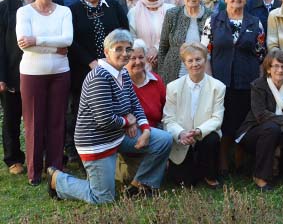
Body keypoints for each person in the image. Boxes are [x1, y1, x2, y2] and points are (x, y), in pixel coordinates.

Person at [48, 29, 172, 204]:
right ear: (106, 52)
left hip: (118, 135)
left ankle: (141, 184)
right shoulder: (99, 77)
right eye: (118, 49)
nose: (125, 53)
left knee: (164, 139)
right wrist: (127, 121)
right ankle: (58, 181)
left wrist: (144, 129)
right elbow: (105, 119)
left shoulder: (122, 73)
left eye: (128, 49)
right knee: (103, 198)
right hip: (97, 142)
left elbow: (135, 105)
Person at [201, 0, 266, 175]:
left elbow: (261, 55)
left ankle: (241, 162)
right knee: (223, 122)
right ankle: (222, 163)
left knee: (243, 122)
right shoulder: (213, 21)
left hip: (247, 82)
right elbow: (205, 54)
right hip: (220, 82)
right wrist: (210, 81)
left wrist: (260, 84)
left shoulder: (256, 23)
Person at [15, 0, 72, 185]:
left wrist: (37, 40)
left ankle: (55, 169)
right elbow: (24, 45)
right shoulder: (24, 12)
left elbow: (67, 40)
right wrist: (53, 45)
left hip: (60, 73)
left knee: (57, 121)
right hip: (32, 74)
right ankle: (34, 172)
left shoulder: (63, 12)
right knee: (34, 123)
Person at [67, 0, 129, 163]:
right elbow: (72, 40)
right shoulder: (73, 10)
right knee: (82, 110)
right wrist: (90, 61)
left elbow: (124, 33)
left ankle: (114, 147)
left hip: (114, 68)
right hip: (84, 70)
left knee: (112, 107)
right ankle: (80, 152)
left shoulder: (114, 7)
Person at [237, 50, 283, 191]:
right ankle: (260, 176)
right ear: (268, 68)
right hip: (253, 133)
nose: (280, 70)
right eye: (276, 66)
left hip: (282, 135)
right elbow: (261, 115)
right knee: (271, 127)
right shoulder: (258, 85)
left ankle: (278, 156)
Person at [163, 42, 225, 188]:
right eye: (190, 60)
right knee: (185, 183)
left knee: (212, 138)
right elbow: (168, 119)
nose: (194, 64)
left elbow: (217, 119)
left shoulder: (218, 87)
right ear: (184, 63)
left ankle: (209, 174)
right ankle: (192, 168)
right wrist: (181, 133)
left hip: (203, 136)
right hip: (183, 139)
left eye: (198, 59)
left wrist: (198, 131)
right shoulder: (173, 87)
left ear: (205, 60)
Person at [118, 38, 167, 184]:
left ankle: (140, 182)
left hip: (154, 134)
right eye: (133, 58)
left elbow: (166, 112)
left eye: (141, 57)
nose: (138, 62)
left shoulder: (156, 80)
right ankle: (139, 180)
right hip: (131, 136)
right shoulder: (119, 83)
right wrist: (130, 121)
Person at [0, 0, 32, 176]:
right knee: (12, 117)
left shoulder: (47, 1)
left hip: (40, 71)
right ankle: (13, 159)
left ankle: (40, 153)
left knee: (38, 116)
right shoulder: (4, 8)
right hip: (12, 72)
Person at [158, 0, 212, 85]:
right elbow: (163, 46)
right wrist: (162, 73)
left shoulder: (210, 16)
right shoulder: (172, 14)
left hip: (201, 74)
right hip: (173, 74)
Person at [128, 0, 175, 70]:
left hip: (168, 63)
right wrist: (147, 54)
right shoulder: (133, 12)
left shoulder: (171, 10)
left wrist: (156, 50)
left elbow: (173, 36)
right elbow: (131, 38)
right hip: (142, 64)